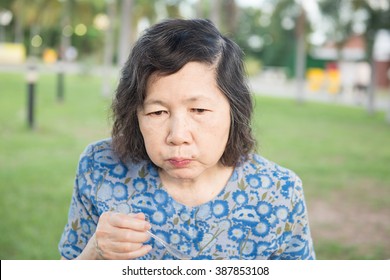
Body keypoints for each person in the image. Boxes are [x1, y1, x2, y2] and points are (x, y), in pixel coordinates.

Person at [58, 18, 315, 260]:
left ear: (234, 111)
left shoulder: (279, 193)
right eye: (158, 112)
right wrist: (94, 253)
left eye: (199, 110)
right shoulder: (100, 167)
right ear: (134, 114)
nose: (178, 136)